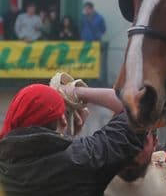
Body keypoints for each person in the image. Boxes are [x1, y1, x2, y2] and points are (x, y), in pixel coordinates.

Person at [0, 80, 146, 195]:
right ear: (64, 121)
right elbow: (137, 109)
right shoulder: (86, 158)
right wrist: (77, 92)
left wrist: (69, 138)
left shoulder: (5, 164)